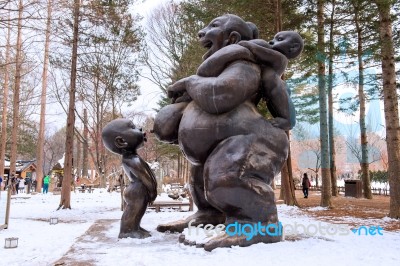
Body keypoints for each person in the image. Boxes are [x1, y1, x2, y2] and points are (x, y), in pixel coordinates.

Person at [153, 14, 300, 250]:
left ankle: (258, 224)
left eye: (213, 26)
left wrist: (189, 82)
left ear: (232, 37)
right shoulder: (219, 68)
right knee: (201, 178)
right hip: (225, 142)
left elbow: (221, 96)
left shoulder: (245, 65)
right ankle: (210, 214)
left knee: (225, 178)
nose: (202, 32)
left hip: (253, 140)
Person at [102, 118, 157, 239]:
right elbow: (145, 176)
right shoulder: (132, 159)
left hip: (137, 190)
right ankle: (127, 230)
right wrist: (152, 190)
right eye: (133, 127)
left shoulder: (132, 157)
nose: (140, 129)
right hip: (136, 191)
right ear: (121, 141)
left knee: (138, 210)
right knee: (134, 210)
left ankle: (135, 227)